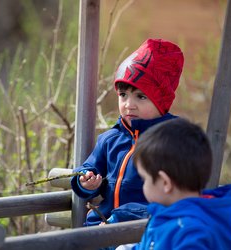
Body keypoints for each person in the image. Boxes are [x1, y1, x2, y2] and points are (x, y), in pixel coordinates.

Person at [70, 38, 185, 226]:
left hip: (144, 232)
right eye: (123, 95)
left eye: (141, 96)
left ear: (161, 102)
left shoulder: (175, 140)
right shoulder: (110, 139)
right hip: (100, 228)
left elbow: (178, 195)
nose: (129, 105)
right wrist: (86, 181)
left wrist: (123, 218)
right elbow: (89, 167)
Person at [120, 118, 231, 250]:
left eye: (144, 179)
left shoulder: (191, 233)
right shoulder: (168, 216)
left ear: (165, 183)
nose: (144, 186)